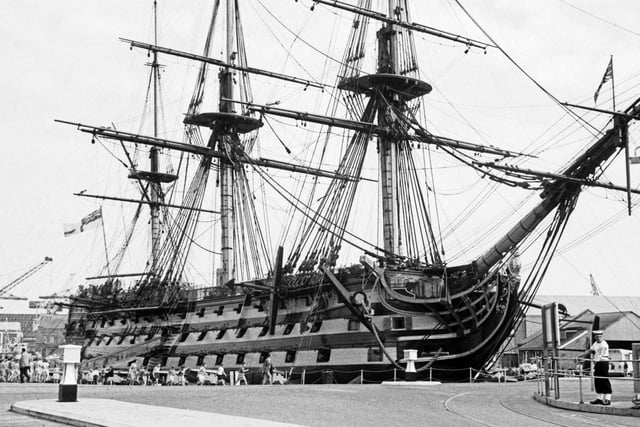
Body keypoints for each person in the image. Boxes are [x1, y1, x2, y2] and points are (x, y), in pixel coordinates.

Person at [576, 330, 612, 405]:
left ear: (602, 336)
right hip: (597, 363)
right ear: (595, 337)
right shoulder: (595, 344)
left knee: (604, 379)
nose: (599, 338)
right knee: (598, 380)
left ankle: (608, 398)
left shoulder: (604, 344)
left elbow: (601, 353)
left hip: (603, 362)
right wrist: (581, 355)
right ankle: (599, 398)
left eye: (600, 336)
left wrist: (597, 360)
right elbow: (590, 350)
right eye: (597, 337)